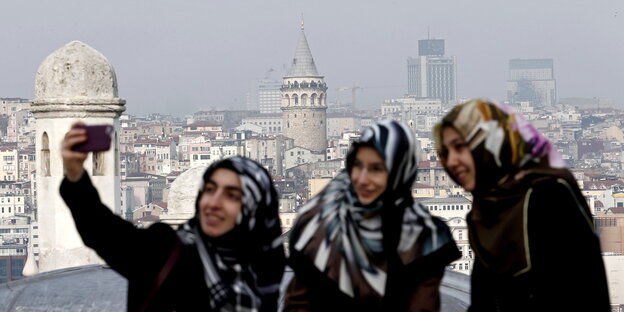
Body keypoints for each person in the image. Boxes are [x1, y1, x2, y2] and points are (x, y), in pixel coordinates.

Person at [60, 122, 286, 312]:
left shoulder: (267, 264)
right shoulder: (167, 251)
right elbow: (104, 232)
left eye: (232, 195)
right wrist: (75, 174)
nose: (213, 203)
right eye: (209, 189)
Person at [434, 99, 610, 311]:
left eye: (460, 147)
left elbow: (575, 290)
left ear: (492, 141)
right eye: (445, 152)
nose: (452, 161)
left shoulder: (547, 194)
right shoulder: (486, 209)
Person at [284, 120, 460, 311]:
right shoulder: (320, 224)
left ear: (400, 171)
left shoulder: (424, 237)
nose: (363, 179)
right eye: (358, 166)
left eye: (377, 168)